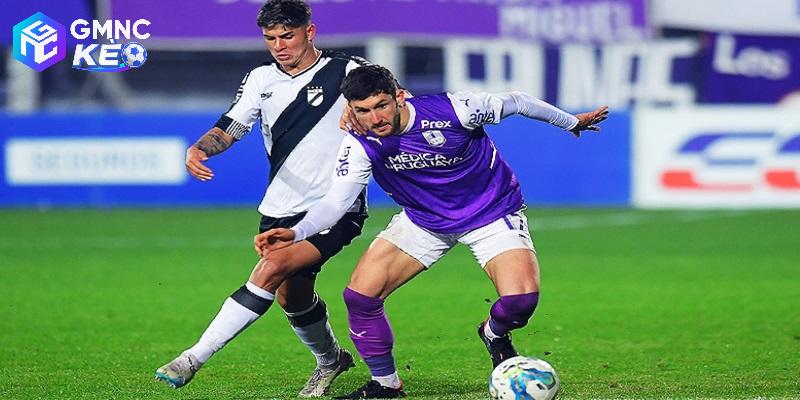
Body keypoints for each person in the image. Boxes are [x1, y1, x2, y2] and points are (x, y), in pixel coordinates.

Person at [255, 64, 608, 399]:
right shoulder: (359, 141)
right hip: (423, 220)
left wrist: (570, 122)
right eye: (362, 110)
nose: (375, 118)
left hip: (491, 212)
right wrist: (297, 232)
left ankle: (493, 333)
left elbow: (517, 101)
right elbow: (335, 203)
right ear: (350, 110)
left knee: (520, 303)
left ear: (399, 96)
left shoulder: (457, 109)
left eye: (381, 106)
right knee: (361, 297)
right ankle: (386, 384)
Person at [155, 1, 374, 396]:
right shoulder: (260, 79)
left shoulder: (348, 71)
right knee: (294, 297)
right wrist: (201, 148)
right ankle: (331, 360)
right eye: (271, 38)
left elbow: (392, 101)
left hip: (336, 204)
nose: (279, 45)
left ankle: (193, 357)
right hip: (279, 205)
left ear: (310, 31)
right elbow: (231, 125)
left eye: (287, 36)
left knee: (271, 269)